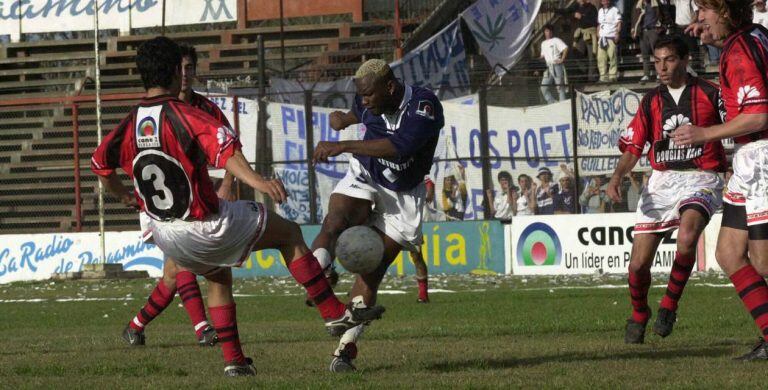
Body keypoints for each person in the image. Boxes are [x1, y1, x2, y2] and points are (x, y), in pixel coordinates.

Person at [91, 37, 384, 376]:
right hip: (204, 224)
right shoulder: (186, 115)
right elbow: (226, 152)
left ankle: (234, 363)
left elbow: (100, 165)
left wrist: (124, 196)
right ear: (175, 71)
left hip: (165, 233)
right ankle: (333, 312)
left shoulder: (129, 123)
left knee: (218, 276)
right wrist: (259, 182)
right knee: (288, 234)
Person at [309, 59, 444, 372]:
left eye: (369, 95)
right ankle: (317, 280)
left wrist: (342, 145)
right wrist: (342, 119)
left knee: (372, 271)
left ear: (390, 87)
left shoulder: (424, 106)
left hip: (403, 197)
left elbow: (400, 148)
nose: (365, 100)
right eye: (361, 95)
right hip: (367, 173)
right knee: (336, 220)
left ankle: (344, 351)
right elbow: (356, 112)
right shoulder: (366, 97)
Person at [608, 35, 726, 344]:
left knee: (687, 238)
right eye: (657, 60)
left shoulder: (711, 93)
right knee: (637, 265)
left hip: (702, 176)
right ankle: (638, 314)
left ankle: (669, 306)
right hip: (661, 181)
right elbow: (633, 148)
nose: (661, 66)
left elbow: (741, 123)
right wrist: (616, 176)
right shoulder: (650, 101)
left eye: (669, 59)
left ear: (686, 60)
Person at [122, 43, 238, 349]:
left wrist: (228, 182)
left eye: (190, 68)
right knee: (181, 263)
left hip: (197, 194)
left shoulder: (208, 110)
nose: (185, 74)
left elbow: (231, 149)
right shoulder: (154, 111)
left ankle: (136, 325)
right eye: (181, 68)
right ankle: (202, 328)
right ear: (173, 71)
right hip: (163, 198)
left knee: (173, 272)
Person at [673, 0, 768, 360]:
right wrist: (713, 39)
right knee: (729, 253)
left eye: (703, 14)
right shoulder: (754, 36)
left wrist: (704, 134)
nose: (698, 22)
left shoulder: (740, 49)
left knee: (763, 264)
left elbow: (758, 115)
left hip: (761, 155)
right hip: (749, 160)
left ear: (724, 12)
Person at [557, 0, 599, 81]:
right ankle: (584, 71)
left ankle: (592, 77)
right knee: (576, 52)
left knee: (592, 56)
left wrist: (581, 17)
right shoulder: (576, 6)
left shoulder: (592, 8)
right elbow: (567, 12)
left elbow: (594, 22)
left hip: (590, 34)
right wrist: (556, 10)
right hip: (581, 34)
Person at [632, 0, 662, 81]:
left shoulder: (656, 3)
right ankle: (646, 74)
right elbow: (634, 18)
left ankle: (659, 74)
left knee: (657, 54)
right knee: (645, 55)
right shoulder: (638, 5)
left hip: (653, 30)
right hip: (643, 32)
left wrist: (661, 28)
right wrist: (633, 30)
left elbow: (662, 15)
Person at [539, 24, 569, 104]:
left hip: (557, 65)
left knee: (560, 87)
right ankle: (552, 103)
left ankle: (563, 105)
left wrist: (562, 59)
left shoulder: (556, 40)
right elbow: (542, 55)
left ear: (552, 32)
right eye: (546, 31)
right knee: (543, 87)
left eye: (549, 31)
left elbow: (565, 48)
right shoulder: (543, 43)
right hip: (548, 67)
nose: (547, 33)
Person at [597, 0, 623, 82]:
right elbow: (599, 24)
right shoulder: (600, 11)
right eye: (603, 0)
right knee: (601, 58)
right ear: (601, 2)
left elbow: (619, 23)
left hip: (611, 36)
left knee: (612, 57)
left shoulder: (615, 10)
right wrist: (598, 33)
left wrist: (617, 33)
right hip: (602, 37)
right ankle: (603, 76)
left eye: (607, 0)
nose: (605, 2)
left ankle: (612, 76)